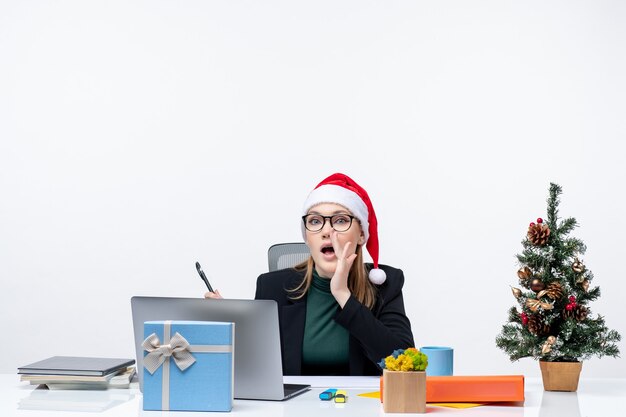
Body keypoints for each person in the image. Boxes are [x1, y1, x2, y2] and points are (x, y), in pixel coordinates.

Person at [206, 173, 414, 375]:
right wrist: (229, 327)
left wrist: (343, 295)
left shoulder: (385, 285)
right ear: (307, 236)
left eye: (340, 220)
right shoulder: (272, 287)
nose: (326, 231)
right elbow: (257, 365)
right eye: (315, 221)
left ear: (361, 235)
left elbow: (405, 364)